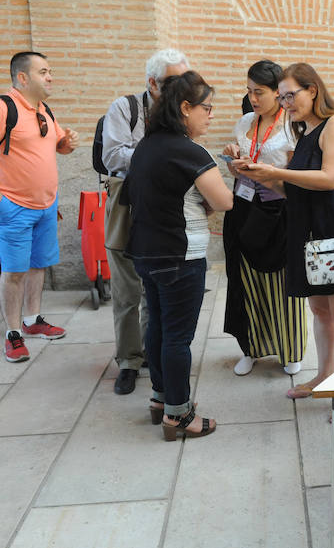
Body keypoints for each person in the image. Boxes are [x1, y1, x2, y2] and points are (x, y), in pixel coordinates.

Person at [235, 63, 334, 400]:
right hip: (308, 234)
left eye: (291, 95)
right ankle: (323, 376)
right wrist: (257, 174)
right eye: (283, 97)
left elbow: (331, 178)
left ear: (313, 90)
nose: (286, 103)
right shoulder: (305, 133)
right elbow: (295, 190)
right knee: (319, 309)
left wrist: (277, 171)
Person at [121, 71, 233, 440]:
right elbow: (224, 201)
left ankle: (160, 399)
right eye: (207, 108)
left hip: (146, 253)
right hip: (180, 255)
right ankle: (179, 415)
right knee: (177, 337)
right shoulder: (190, 151)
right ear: (185, 108)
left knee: (157, 326)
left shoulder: (146, 146)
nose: (210, 115)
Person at [0, 51, 80, 362]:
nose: (50, 77)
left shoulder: (43, 110)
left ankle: (32, 321)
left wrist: (66, 144)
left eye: (50, 71)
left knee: (37, 265)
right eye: (44, 71)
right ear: (23, 77)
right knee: (14, 272)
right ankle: (13, 334)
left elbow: (56, 145)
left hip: (45, 206)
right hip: (12, 207)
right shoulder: (0, 108)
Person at [102, 48, 189, 395]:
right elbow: (112, 155)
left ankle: (152, 353)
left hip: (165, 208)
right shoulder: (125, 108)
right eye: (174, 82)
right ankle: (128, 360)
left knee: (158, 289)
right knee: (126, 290)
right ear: (152, 83)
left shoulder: (184, 111)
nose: (183, 88)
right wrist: (158, 155)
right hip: (128, 205)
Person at [221, 60, 308, 377]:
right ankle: (251, 348)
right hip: (244, 207)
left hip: (278, 212)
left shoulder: (291, 127)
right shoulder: (245, 122)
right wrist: (234, 162)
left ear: (278, 93)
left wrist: (261, 175)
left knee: (284, 284)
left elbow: (295, 183)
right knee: (246, 281)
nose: (253, 99)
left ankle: (291, 349)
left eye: (260, 92)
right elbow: (240, 165)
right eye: (249, 91)